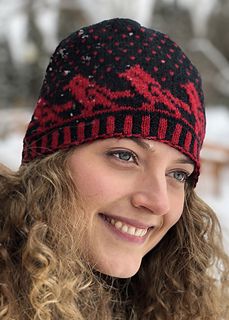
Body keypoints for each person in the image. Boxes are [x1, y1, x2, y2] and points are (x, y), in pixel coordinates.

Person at [0, 18, 228, 320]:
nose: (158, 202)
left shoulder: (176, 302)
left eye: (177, 174)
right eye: (124, 155)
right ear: (51, 160)